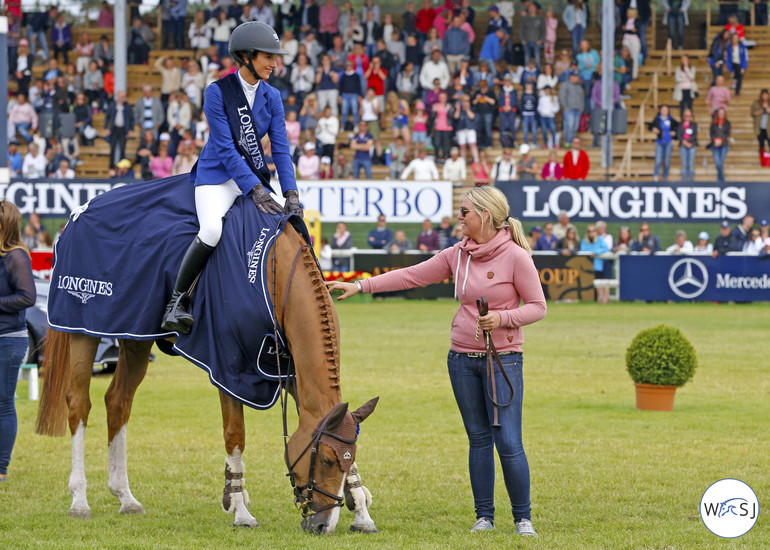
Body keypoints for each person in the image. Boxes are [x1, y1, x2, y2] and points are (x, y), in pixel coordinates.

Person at [328, 187, 544, 536]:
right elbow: (412, 275)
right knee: (478, 439)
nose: (459, 218)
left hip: (503, 361)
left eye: (464, 212)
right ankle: (484, 517)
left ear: (485, 216)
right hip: (460, 359)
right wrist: (362, 286)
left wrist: (503, 320)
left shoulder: (516, 257)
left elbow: (538, 306)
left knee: (508, 441)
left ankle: (523, 520)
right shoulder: (458, 254)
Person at [161, 22, 302, 334]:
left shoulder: (273, 97)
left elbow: (280, 150)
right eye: (269, 57)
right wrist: (254, 188)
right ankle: (176, 302)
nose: (275, 64)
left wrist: (291, 193)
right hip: (217, 178)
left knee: (278, 230)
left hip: (252, 178)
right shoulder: (217, 92)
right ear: (247, 56)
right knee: (212, 229)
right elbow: (225, 149)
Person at [0, 200, 36, 483]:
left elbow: (27, 297)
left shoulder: (16, 256)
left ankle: (1, 468)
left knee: (3, 403)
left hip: (8, 341)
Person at [648, 104, 679, 182]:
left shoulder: (670, 119)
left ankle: (665, 177)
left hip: (668, 142)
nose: (664, 111)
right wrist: (653, 129)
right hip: (659, 142)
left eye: (666, 110)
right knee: (658, 160)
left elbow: (679, 126)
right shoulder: (657, 119)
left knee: (667, 161)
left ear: (668, 111)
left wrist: (674, 132)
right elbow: (650, 126)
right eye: (663, 109)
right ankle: (656, 177)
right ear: (660, 111)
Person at [580, 224, 610, 301]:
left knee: (603, 281)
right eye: (589, 231)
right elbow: (583, 250)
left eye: (593, 231)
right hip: (589, 265)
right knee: (596, 283)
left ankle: (604, 300)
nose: (591, 233)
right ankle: (598, 299)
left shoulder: (600, 239)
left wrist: (595, 252)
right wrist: (591, 253)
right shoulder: (584, 240)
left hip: (600, 264)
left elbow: (606, 248)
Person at [709, 107, 731, 183]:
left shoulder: (727, 123)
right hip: (714, 145)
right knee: (717, 162)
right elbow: (711, 133)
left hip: (724, 145)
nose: (721, 114)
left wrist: (720, 140)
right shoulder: (713, 123)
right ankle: (722, 178)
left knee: (721, 162)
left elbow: (727, 134)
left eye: (722, 113)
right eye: (719, 113)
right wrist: (715, 140)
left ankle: (720, 179)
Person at [677, 109, 698, 182]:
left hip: (692, 146)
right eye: (686, 116)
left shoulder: (694, 125)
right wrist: (684, 142)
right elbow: (679, 135)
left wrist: (688, 142)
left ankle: (691, 181)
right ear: (683, 116)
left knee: (691, 164)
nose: (687, 117)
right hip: (683, 146)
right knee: (684, 164)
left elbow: (694, 135)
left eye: (689, 116)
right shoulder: (680, 125)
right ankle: (684, 181)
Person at [725, 32, 748, 97]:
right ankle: (736, 88)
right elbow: (728, 59)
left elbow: (744, 57)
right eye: (734, 38)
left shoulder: (742, 46)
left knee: (740, 76)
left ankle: (737, 91)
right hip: (733, 64)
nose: (735, 40)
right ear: (732, 39)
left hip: (740, 64)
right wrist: (730, 70)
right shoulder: (729, 47)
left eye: (736, 38)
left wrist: (743, 67)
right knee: (739, 75)